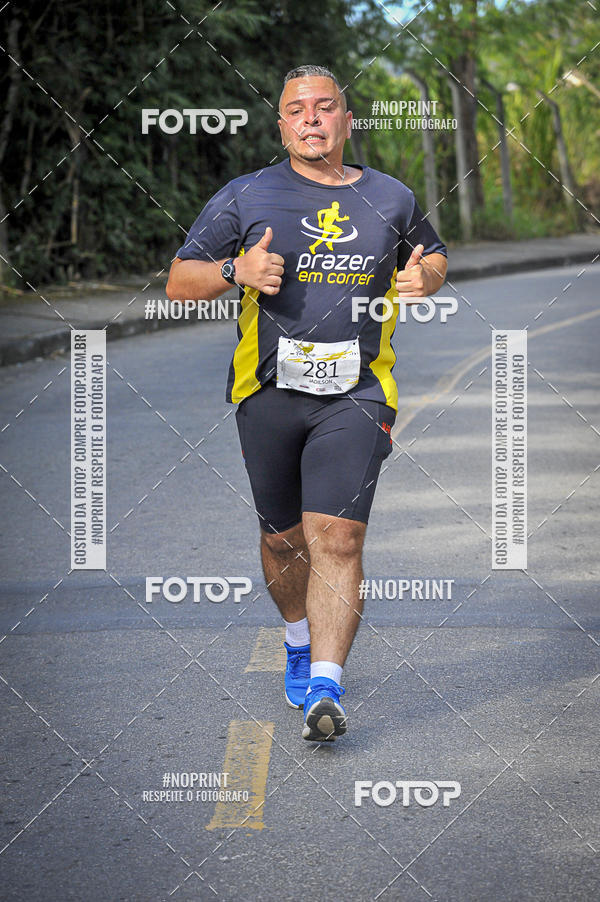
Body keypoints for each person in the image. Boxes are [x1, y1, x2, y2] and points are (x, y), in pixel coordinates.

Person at [166, 65, 448, 742]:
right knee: (283, 539)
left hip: (357, 393)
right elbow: (180, 282)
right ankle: (298, 636)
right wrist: (236, 270)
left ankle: (326, 684)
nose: (313, 119)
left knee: (339, 537)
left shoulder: (392, 197)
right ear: (283, 125)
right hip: (266, 394)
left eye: (327, 108)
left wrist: (424, 276)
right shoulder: (247, 195)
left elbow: (433, 255)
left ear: (348, 122)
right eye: (299, 110)